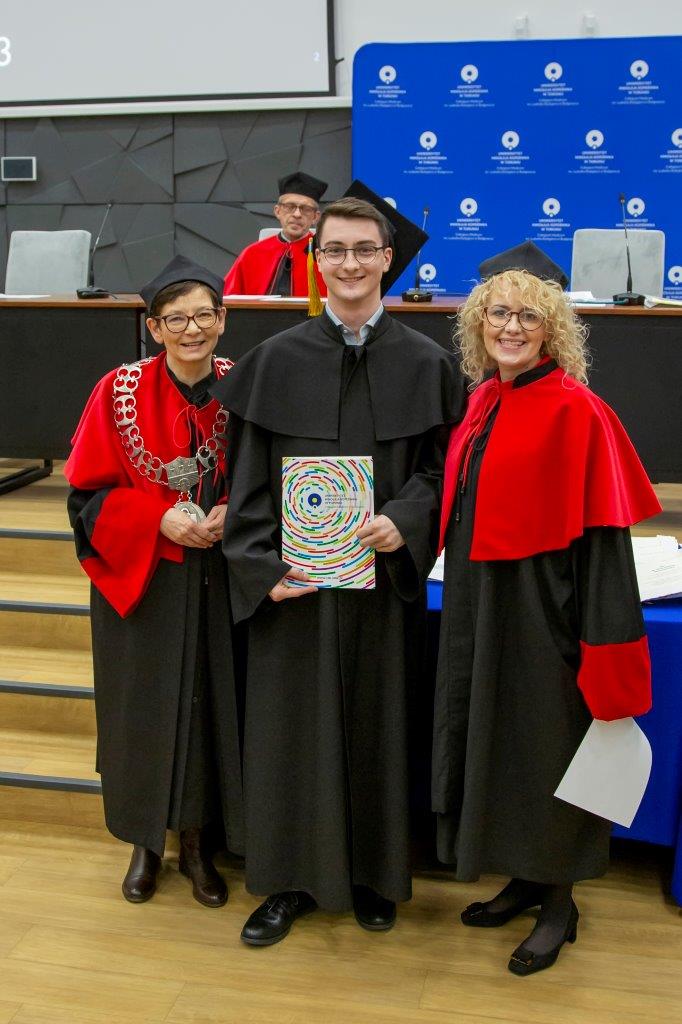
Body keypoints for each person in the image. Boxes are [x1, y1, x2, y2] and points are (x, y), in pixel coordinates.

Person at [212, 189, 463, 944]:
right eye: (335, 250)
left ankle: (373, 877)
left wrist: (405, 521)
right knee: (291, 735)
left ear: (387, 260)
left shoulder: (427, 364)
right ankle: (288, 883)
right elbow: (245, 484)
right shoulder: (273, 362)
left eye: (363, 250)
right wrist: (260, 567)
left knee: (379, 728)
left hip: (380, 588)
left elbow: (441, 474)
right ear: (316, 261)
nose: (349, 263)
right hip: (295, 592)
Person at [432, 241, 662, 975]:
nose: (511, 326)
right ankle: (525, 877)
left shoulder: (579, 411)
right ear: (479, 322)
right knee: (497, 742)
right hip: (481, 600)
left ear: (552, 328)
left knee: (546, 744)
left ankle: (561, 901)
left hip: (546, 611)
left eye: (528, 316)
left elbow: (605, 547)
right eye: (499, 313)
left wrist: (600, 641)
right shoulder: (483, 401)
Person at [65, 254, 243, 907]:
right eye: (176, 319)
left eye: (203, 316)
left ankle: (196, 845)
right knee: (138, 710)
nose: (191, 329)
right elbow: (85, 497)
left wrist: (234, 509)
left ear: (222, 320)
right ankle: (143, 843)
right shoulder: (117, 392)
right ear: (154, 327)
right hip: (142, 579)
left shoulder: (242, 386)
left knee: (205, 710)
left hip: (219, 575)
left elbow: (270, 473)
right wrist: (157, 519)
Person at [223, 171, 328, 297]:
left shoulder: (325, 255)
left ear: (316, 217)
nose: (297, 214)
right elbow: (227, 299)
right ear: (277, 211)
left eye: (306, 209)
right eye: (290, 206)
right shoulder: (252, 254)